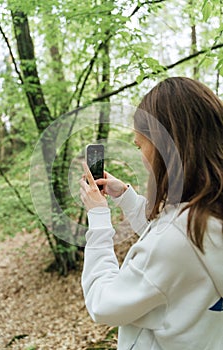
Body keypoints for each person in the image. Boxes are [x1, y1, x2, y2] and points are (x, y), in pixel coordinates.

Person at [79, 77, 223, 350]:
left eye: (139, 145)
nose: (142, 156)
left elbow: (103, 303)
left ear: (163, 145)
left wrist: (98, 218)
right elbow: (169, 234)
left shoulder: (178, 241)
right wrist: (126, 197)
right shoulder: (209, 213)